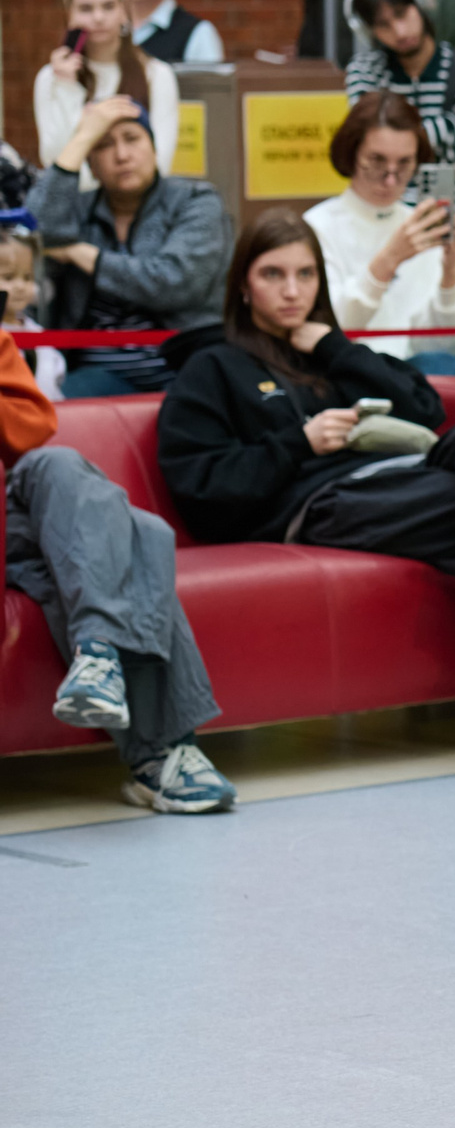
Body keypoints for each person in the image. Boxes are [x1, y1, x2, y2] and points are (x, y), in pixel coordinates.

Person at [158, 210, 455, 763]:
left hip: (409, 472)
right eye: (273, 275)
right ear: (243, 283)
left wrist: (337, 348)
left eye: (306, 275)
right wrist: (299, 443)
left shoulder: (330, 351)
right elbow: (201, 490)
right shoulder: (212, 368)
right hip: (323, 502)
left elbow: (427, 410)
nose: (292, 291)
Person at [2, 327, 231, 812]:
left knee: (64, 469)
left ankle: (99, 656)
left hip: (11, 509)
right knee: (133, 531)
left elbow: (30, 428)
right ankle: (164, 754)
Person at [342, 0, 455, 376]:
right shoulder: (365, 72)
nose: (399, 30)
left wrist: (405, 139)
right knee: (399, 361)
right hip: (391, 239)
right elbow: (368, 160)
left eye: (403, 13)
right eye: (383, 24)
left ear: (422, 4)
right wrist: (450, 125)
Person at [28, 96, 228, 397]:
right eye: (103, 145)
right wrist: (80, 138)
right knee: (53, 411)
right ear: (90, 165)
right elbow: (34, 235)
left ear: (154, 148)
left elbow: (173, 282)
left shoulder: (195, 200)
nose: (121, 155)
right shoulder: (80, 210)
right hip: (97, 371)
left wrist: (82, 254)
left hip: (183, 365)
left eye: (132, 139)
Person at [303, 93, 455, 375]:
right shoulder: (316, 226)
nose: (390, 178)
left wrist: (450, 274)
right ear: (351, 153)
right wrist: (388, 260)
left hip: (416, 376)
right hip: (344, 376)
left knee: (442, 366)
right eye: (376, 161)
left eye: (404, 164)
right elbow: (329, 333)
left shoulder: (420, 224)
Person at [35, 0, 179, 186]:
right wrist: (66, 87)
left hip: (137, 209)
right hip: (73, 210)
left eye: (109, 6)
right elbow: (54, 161)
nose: (98, 17)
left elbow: (161, 163)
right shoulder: (51, 78)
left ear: (124, 11)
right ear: (69, 15)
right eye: (86, 8)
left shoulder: (157, 75)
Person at [0, 227, 65, 398]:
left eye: (27, 277)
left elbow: (55, 373)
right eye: (8, 277)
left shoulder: (35, 330)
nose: (21, 286)